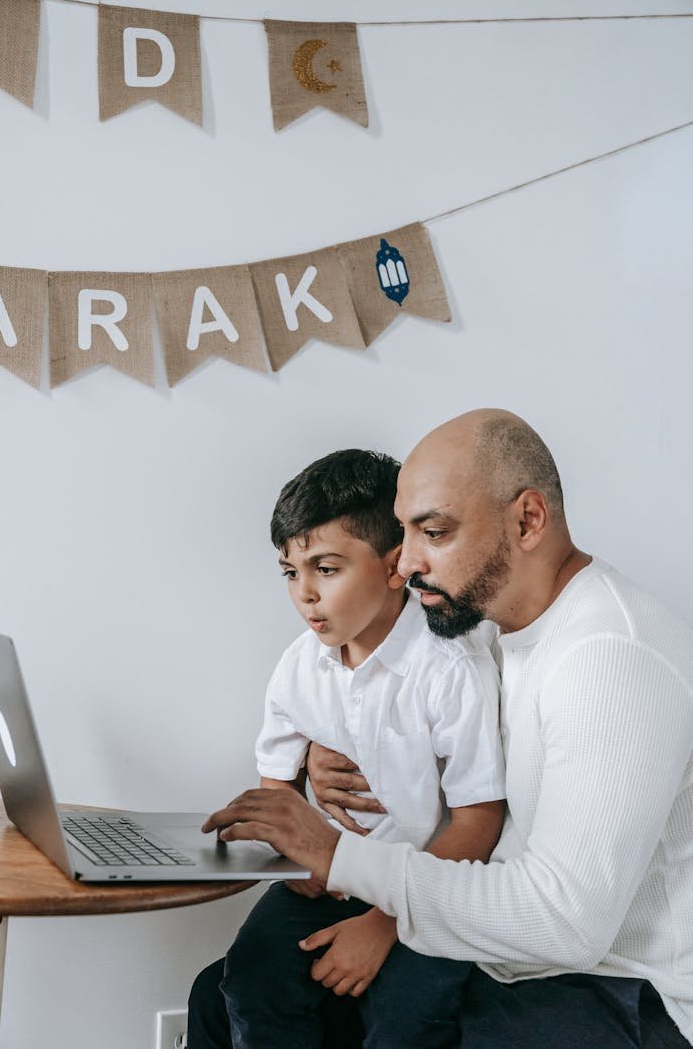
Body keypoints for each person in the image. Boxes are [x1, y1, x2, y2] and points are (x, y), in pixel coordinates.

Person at [203, 410, 693, 1048]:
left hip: (609, 990)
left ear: (527, 521)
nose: (404, 563)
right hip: (500, 954)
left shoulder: (608, 659)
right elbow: (400, 702)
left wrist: (339, 858)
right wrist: (319, 756)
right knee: (222, 995)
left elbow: (565, 923)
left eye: (434, 532)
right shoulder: (485, 625)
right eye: (406, 532)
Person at [190, 448, 506, 1049]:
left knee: (406, 1017)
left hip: (427, 893)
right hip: (324, 883)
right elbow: (275, 787)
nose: (304, 594)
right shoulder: (297, 667)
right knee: (249, 986)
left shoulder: (449, 671)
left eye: (326, 569)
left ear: (395, 567)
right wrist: (301, 858)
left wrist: (387, 922)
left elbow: (479, 818)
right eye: (290, 572)